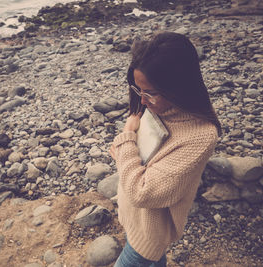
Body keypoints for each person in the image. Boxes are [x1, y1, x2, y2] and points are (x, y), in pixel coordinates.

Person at [109, 32, 222, 267]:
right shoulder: (157, 106)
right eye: (139, 90)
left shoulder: (200, 135)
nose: (142, 101)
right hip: (136, 218)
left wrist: (127, 141)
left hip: (150, 232)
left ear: (178, 87)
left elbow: (142, 192)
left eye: (149, 93)